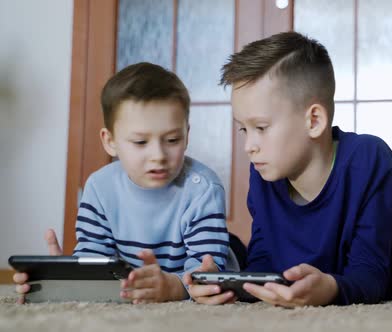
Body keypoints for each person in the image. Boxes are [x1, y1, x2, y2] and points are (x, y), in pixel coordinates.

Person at [185, 31, 392, 307]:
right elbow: (263, 262)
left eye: (261, 128)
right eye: (244, 129)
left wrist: (330, 288)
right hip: (334, 263)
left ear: (314, 120)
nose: (249, 145)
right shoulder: (264, 170)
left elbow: (371, 279)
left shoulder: (370, 160)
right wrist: (226, 285)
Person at [13, 62, 238, 304]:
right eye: (141, 142)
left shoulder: (203, 189)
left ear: (187, 135)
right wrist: (65, 277)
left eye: (172, 139)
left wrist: (174, 287)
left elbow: (206, 271)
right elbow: (95, 254)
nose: (158, 155)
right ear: (110, 141)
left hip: (210, 257)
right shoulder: (100, 188)